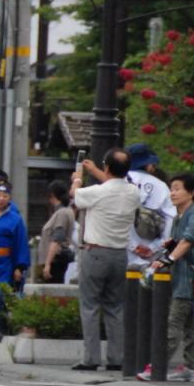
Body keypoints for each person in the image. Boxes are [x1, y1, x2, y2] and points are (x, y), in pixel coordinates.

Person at [70, 149, 140, 371]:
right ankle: (116, 358)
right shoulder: (133, 193)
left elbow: (76, 196)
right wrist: (97, 171)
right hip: (120, 254)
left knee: (89, 306)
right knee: (115, 307)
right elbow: (114, 185)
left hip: (96, 252)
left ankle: (91, 358)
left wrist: (78, 178)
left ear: (107, 168)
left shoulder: (96, 192)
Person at [143, 173, 194, 382]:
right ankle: (191, 367)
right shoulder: (179, 215)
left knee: (172, 324)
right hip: (181, 277)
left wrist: (169, 258)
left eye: (177, 188)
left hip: (190, 277)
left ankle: (157, 366)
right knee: (189, 325)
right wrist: (170, 247)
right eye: (171, 188)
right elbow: (180, 241)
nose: (173, 193)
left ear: (191, 192)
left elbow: (189, 240)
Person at [125, 143, 175, 281]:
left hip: (120, 253)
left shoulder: (116, 183)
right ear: (148, 164)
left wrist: (132, 246)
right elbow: (171, 220)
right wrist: (154, 248)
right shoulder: (160, 186)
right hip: (151, 258)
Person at [38, 180, 75, 283]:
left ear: (53, 195)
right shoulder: (65, 211)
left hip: (55, 261)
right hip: (55, 261)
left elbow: (57, 239)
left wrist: (48, 264)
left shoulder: (62, 213)